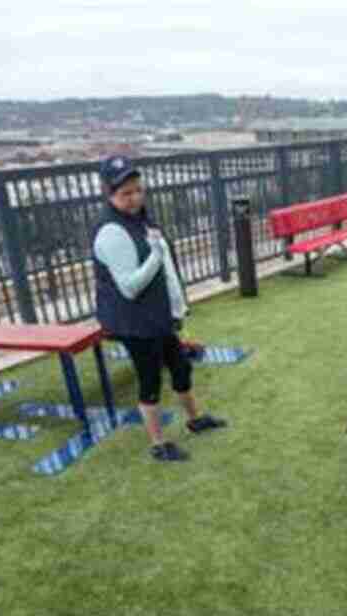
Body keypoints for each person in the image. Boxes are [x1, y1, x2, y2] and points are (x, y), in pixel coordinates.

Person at [92, 155, 226, 463]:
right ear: (108, 193)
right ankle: (158, 444)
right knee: (150, 380)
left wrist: (177, 307)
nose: (135, 197)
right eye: (125, 193)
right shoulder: (111, 232)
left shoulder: (140, 218)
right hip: (134, 322)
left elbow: (164, 270)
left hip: (158, 317)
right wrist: (155, 253)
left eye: (138, 190)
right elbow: (130, 286)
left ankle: (195, 420)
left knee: (180, 368)